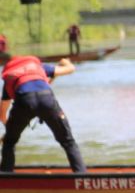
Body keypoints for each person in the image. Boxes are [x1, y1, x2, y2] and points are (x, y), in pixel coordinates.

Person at [0, 34, 85, 173]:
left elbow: (2, 113)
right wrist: (67, 62)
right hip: (47, 99)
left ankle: (6, 177)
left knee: (9, 143)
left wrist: (10, 129)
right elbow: (70, 69)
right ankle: (81, 177)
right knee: (68, 141)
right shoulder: (39, 66)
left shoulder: (9, 76)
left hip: (23, 102)